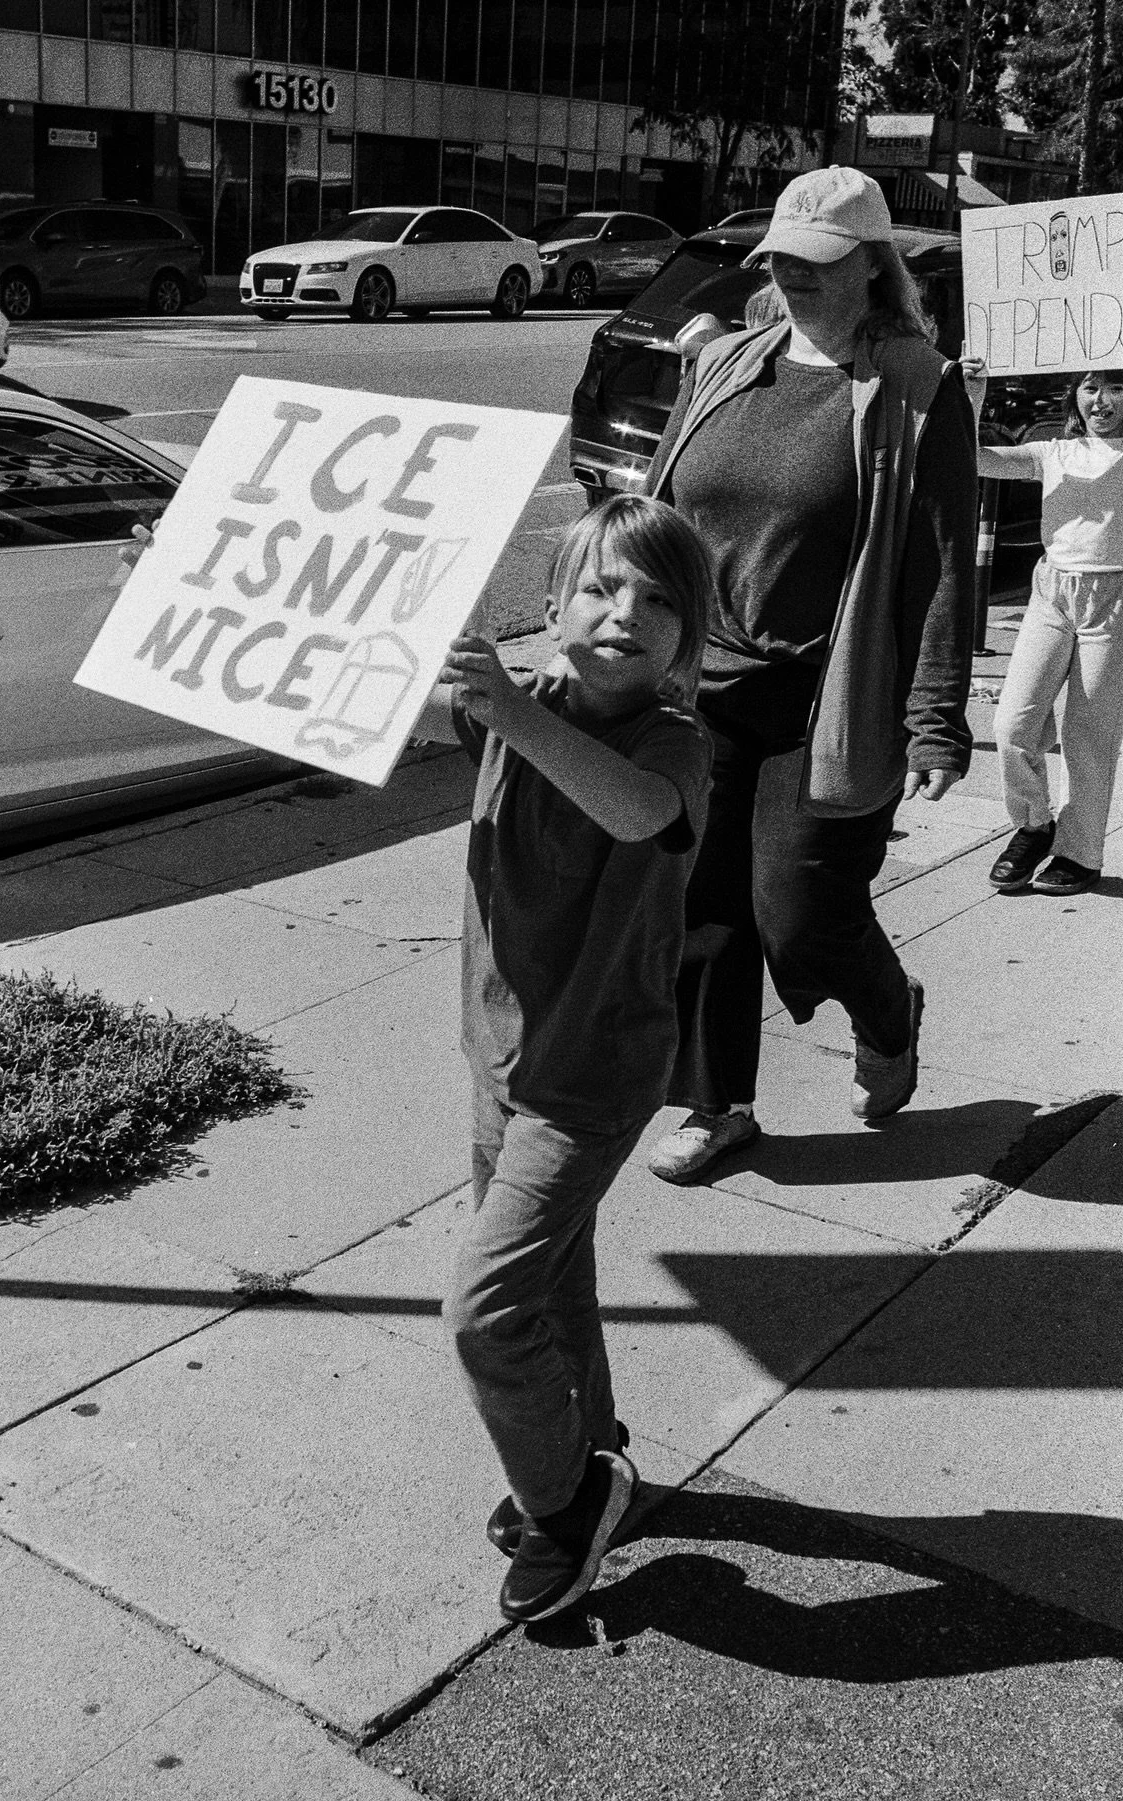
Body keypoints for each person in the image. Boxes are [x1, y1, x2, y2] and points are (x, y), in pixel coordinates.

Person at [640, 165, 978, 1185]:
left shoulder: (917, 387)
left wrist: (935, 716)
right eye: (780, 257)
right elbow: (660, 511)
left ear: (874, 264)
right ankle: (717, 1104)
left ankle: (888, 1010)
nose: (792, 275)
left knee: (802, 913)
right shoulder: (726, 363)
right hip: (699, 688)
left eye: (818, 260)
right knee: (702, 907)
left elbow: (941, 566)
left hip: (829, 700)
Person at [411, 495, 714, 1623]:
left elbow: (638, 812)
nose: (626, 612)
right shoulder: (514, 705)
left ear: (688, 636)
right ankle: (591, 1445)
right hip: (497, 1055)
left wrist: (505, 707)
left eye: (659, 599)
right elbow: (352, 705)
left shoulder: (674, 743)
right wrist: (188, 593)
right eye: (600, 586)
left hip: (590, 1080)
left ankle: (566, 1500)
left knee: (486, 1313)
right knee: (553, 1281)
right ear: (552, 604)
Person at [960, 360, 1123, 896]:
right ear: (1074, 395)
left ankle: (1079, 854)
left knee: (1089, 736)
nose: (1101, 401)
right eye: (1091, 387)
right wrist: (973, 395)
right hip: (1051, 593)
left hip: (1114, 601)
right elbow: (973, 457)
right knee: (1013, 724)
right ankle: (1033, 825)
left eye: (1117, 388)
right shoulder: (1052, 453)